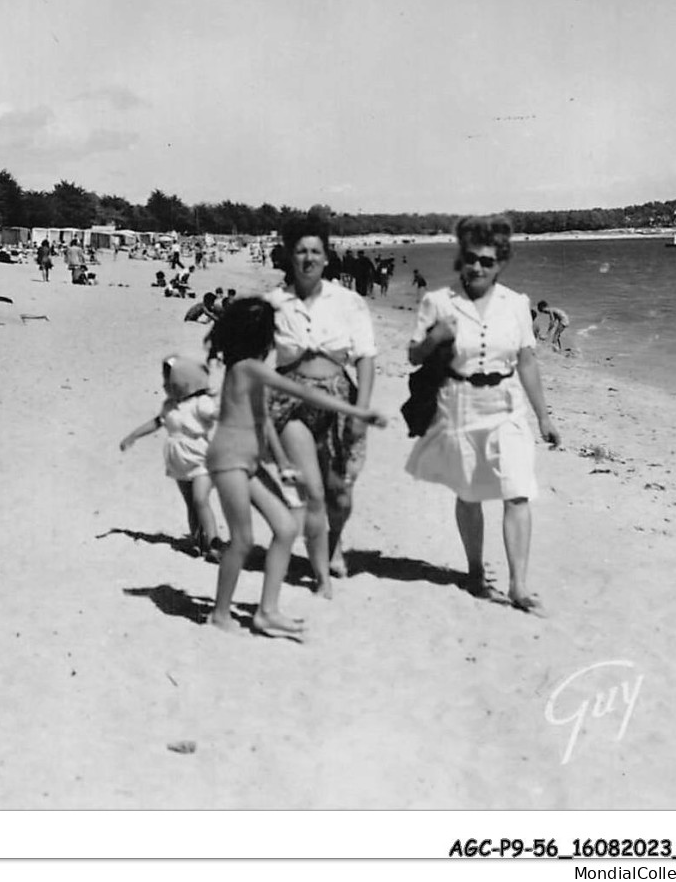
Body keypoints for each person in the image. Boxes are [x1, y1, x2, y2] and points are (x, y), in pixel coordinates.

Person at [206, 298, 389, 639]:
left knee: (287, 527)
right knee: (243, 540)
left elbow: (262, 419)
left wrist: (285, 463)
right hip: (228, 460)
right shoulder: (248, 368)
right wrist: (359, 413)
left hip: (249, 461)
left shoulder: (247, 373)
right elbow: (301, 391)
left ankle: (266, 612)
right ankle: (219, 614)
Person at [405, 216, 559, 615]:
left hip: (507, 404)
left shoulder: (517, 304)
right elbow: (413, 355)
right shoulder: (439, 302)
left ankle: (518, 586)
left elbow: (526, 361)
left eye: (487, 261)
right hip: (459, 402)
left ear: (501, 263)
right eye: (471, 259)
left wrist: (544, 417)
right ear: (461, 260)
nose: (477, 267)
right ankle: (475, 571)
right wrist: (437, 337)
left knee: (518, 490)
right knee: (469, 492)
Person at [264, 210, 378, 596]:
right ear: (289, 256)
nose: (308, 258)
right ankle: (321, 575)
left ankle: (334, 541)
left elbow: (365, 357)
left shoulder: (348, 301)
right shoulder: (273, 302)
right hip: (289, 399)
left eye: (315, 251)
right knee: (313, 492)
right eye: (300, 251)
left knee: (339, 492)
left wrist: (361, 410)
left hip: (338, 399)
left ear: (327, 258)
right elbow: (250, 356)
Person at [119, 355, 222, 560]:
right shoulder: (169, 405)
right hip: (179, 461)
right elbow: (157, 423)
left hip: (201, 458)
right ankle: (197, 542)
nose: (166, 386)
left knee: (201, 499)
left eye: (170, 382)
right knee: (191, 504)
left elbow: (217, 414)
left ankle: (213, 543)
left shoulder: (200, 402)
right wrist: (133, 436)